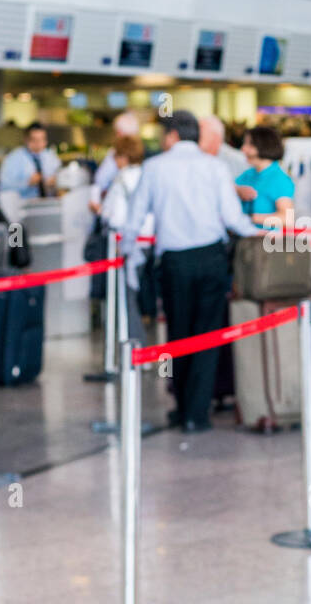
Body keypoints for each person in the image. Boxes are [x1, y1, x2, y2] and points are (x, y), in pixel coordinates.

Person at [122, 110, 263, 433]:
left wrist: (128, 252)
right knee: (207, 335)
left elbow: (135, 216)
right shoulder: (215, 167)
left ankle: (182, 406)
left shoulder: (154, 167)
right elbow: (233, 220)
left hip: (174, 263)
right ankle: (197, 414)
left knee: (178, 334)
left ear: (172, 136)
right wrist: (259, 232)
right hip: (211, 260)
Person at [100, 135, 154, 343]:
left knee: (127, 297)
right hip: (152, 242)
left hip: (129, 243)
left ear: (123, 156)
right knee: (147, 295)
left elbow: (112, 215)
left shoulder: (121, 179)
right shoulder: (148, 175)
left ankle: (135, 347)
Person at [235, 126, 295, 229]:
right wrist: (238, 190)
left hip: (263, 241)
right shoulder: (249, 174)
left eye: (249, 144)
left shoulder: (280, 179)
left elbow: (287, 218)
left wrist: (250, 218)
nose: (243, 149)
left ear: (263, 146)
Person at [90, 111, 141, 213]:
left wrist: (100, 209)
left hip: (116, 216)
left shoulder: (115, 154)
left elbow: (100, 180)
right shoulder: (144, 155)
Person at [0, 123, 60, 200]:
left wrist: (56, 181)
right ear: (26, 140)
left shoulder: (50, 156)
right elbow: (3, 187)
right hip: (23, 204)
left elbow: (60, 176)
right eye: (34, 140)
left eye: (42, 139)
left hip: (49, 201)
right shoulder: (13, 158)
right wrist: (27, 183)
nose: (39, 144)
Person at [199, 114, 246, 179]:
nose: (196, 136)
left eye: (201, 134)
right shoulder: (196, 158)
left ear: (214, 136)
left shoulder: (238, 159)